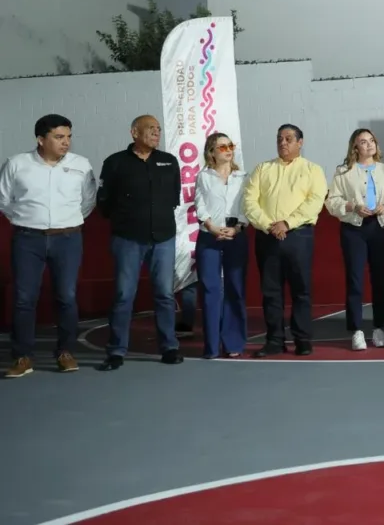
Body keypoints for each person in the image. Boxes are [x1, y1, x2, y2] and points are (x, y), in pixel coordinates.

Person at [0, 114, 97, 378]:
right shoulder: (16, 164)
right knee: (24, 298)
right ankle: (22, 356)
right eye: (59, 137)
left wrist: (66, 222)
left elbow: (88, 201)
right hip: (27, 239)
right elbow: (4, 200)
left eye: (69, 137)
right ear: (41, 139)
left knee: (67, 296)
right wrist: (28, 220)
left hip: (68, 239)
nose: (66, 142)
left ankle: (66, 352)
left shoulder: (81, 165)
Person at [96, 115, 183, 370]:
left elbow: (174, 197)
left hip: (163, 238)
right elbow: (104, 201)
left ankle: (169, 347)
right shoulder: (115, 163)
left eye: (159, 129)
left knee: (165, 294)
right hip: (128, 240)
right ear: (134, 132)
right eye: (150, 129)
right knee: (124, 295)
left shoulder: (169, 161)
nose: (157, 133)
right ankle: (116, 351)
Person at [242, 124, 327, 357]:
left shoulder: (312, 170)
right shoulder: (262, 169)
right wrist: (269, 225)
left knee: (301, 290)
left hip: (298, 236)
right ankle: (274, 340)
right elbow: (249, 201)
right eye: (279, 138)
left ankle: (302, 340)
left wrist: (287, 223)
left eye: (289, 139)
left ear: (300, 143)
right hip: (267, 236)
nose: (283, 143)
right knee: (271, 291)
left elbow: (314, 201)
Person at [325, 128, 384, 351]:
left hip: (380, 227)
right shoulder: (343, 172)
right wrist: (352, 206)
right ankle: (357, 330)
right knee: (355, 279)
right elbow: (332, 202)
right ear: (355, 147)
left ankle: (379, 327)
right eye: (363, 141)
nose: (369, 144)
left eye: (372, 140)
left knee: (380, 278)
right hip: (354, 228)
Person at [194, 132, 251, 358]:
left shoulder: (243, 176)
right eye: (222, 147)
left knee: (235, 288)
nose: (228, 150)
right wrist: (211, 226)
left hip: (236, 235)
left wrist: (237, 228)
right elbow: (199, 204)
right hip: (209, 236)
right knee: (211, 289)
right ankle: (211, 345)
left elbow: (247, 206)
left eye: (230, 146)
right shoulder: (204, 176)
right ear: (212, 152)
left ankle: (233, 343)